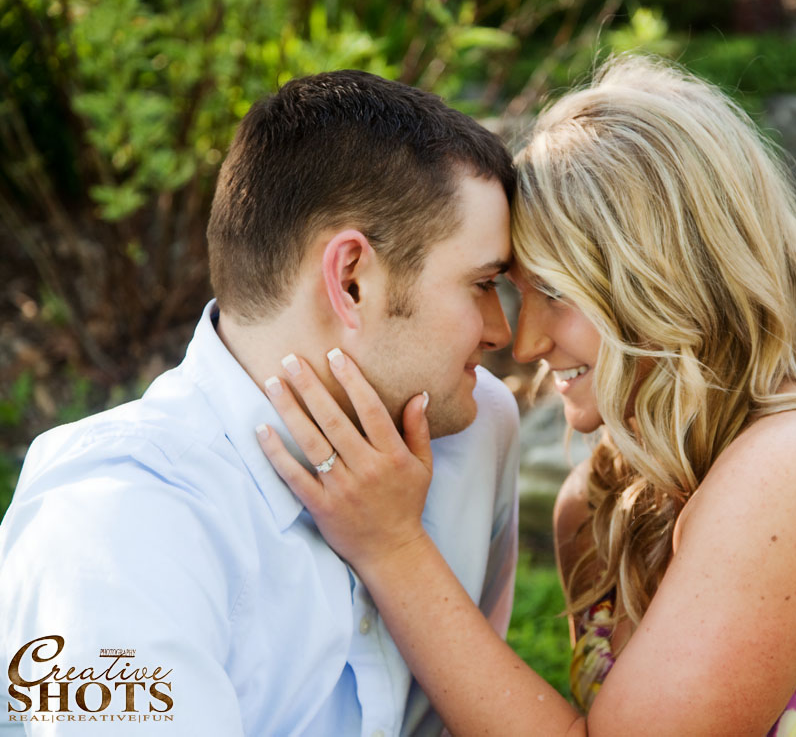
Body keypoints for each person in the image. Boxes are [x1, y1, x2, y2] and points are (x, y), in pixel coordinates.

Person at [258, 56, 796, 735]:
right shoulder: (601, 505)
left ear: (668, 277)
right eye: (509, 290)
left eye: (555, 293)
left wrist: (392, 547)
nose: (525, 341)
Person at [0, 70, 521, 736]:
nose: (502, 332)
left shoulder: (478, 433)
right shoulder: (112, 521)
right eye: (481, 284)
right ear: (351, 280)